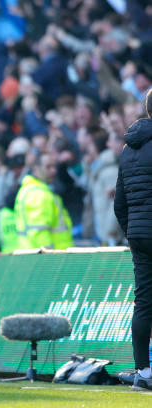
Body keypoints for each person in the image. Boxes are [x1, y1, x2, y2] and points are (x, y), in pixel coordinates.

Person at [114, 88, 152, 391]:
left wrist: (132, 230)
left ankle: (143, 372)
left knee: (144, 304)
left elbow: (119, 203)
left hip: (139, 234)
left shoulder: (127, 150)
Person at [13, 153, 73, 250]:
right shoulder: (38, 194)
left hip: (39, 258)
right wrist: (49, 255)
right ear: (36, 169)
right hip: (48, 260)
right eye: (48, 167)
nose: (53, 171)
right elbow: (39, 230)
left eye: (54, 166)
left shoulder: (34, 189)